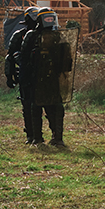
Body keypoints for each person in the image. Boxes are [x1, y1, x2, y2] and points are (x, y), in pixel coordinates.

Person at [20, 8, 73, 148]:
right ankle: (37, 138)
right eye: (47, 19)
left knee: (57, 108)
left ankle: (58, 138)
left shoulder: (58, 36)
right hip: (35, 79)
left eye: (51, 18)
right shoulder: (31, 36)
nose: (49, 21)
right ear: (40, 20)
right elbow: (23, 59)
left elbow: (66, 61)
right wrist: (24, 80)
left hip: (53, 80)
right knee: (35, 108)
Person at [4, 6, 39, 144]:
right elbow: (10, 58)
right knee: (27, 106)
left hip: (43, 76)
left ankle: (54, 137)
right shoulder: (19, 35)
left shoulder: (46, 35)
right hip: (26, 76)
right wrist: (9, 76)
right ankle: (31, 135)